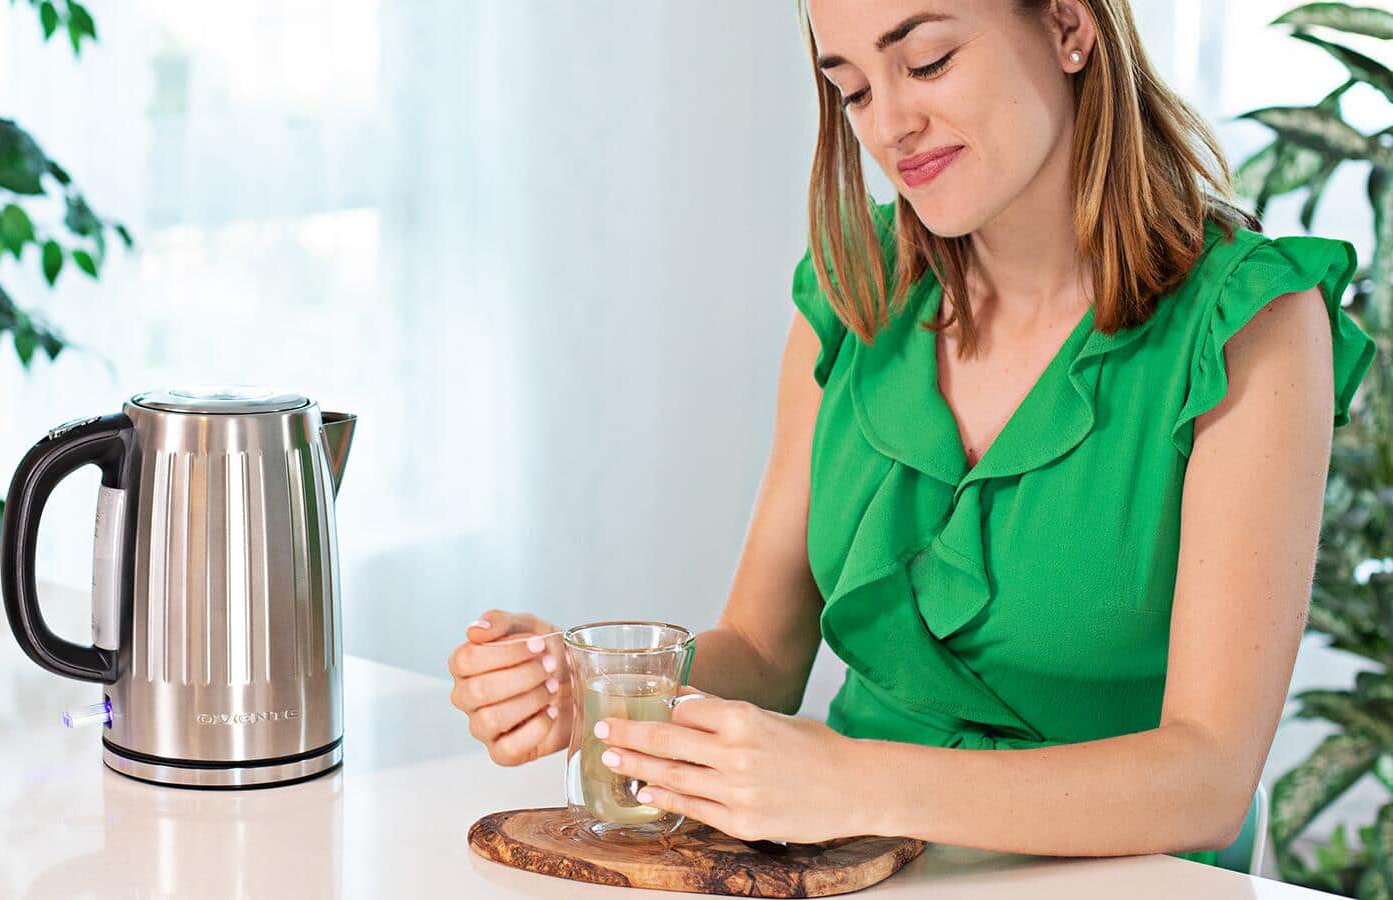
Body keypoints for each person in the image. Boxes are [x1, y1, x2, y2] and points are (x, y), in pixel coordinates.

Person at [446, 0, 1377, 868]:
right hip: (849, 871)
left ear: (1068, 27)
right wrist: (605, 692)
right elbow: (764, 655)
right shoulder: (854, 292)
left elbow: (1208, 777)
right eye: (851, 88)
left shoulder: (1249, 320)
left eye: (926, 62)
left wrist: (852, 782)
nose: (888, 125)